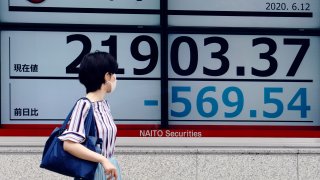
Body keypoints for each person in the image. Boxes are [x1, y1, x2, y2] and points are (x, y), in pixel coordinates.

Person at [58, 51, 121, 180]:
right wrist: (102, 160)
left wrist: (107, 162)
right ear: (107, 76)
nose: (115, 78)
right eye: (113, 73)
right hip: (92, 172)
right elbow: (69, 144)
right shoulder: (84, 105)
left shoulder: (104, 105)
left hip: (109, 168)